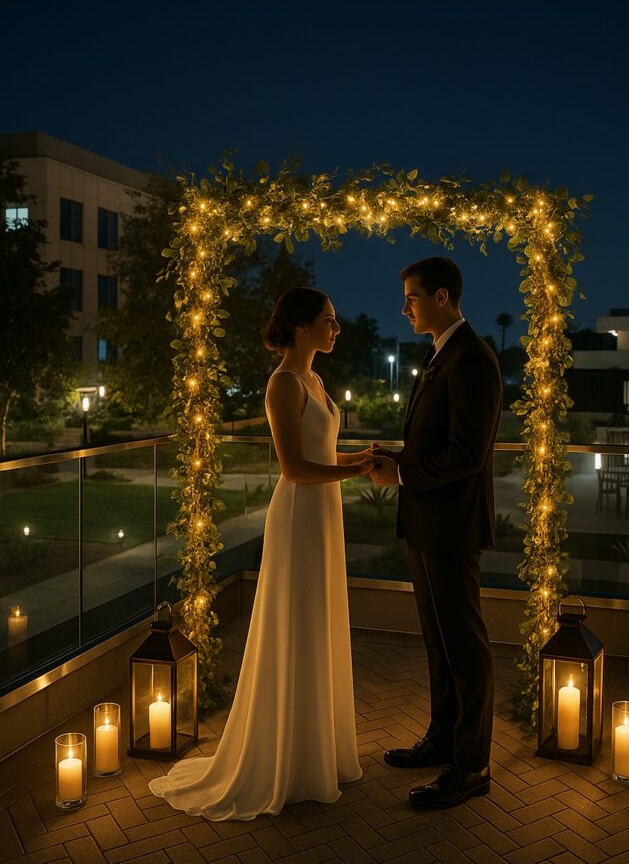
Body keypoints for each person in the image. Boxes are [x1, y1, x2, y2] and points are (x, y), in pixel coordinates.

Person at [149, 287, 376, 820]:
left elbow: (319, 451)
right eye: (329, 319)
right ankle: (284, 758)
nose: (337, 329)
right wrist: (351, 472)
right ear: (301, 328)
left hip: (323, 514)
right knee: (295, 624)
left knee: (318, 622)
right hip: (299, 514)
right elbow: (295, 468)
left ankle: (313, 752)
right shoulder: (283, 384)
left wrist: (357, 458)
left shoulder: (316, 379)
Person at [370, 257, 502, 810]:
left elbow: (466, 456)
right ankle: (442, 738)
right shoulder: (440, 353)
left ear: (442, 297)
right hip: (426, 523)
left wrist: (401, 473)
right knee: (438, 641)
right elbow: (434, 443)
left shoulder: (473, 358)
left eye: (412, 298)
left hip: (450, 526)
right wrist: (397, 459)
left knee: (464, 645)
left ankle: (471, 767)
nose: (404, 308)